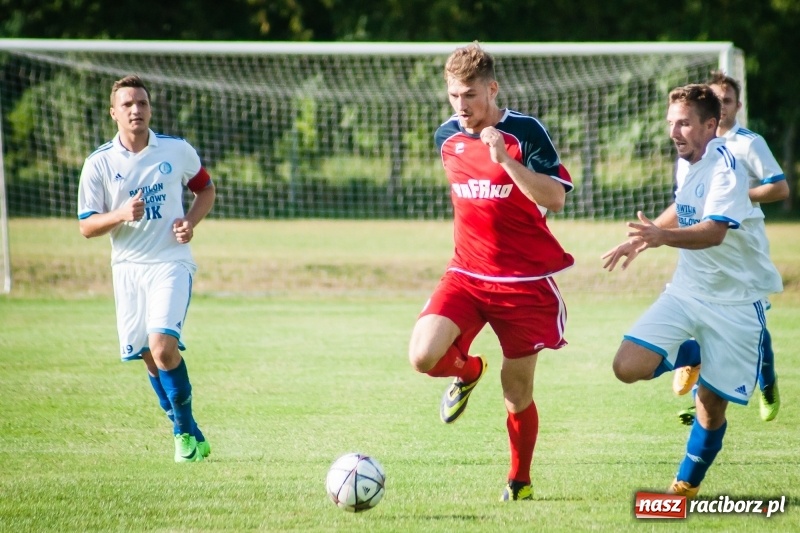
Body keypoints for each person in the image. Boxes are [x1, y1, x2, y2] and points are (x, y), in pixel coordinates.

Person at [407, 42, 574, 502]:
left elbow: (555, 199)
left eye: (471, 96)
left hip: (522, 286)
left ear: (492, 89)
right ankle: (469, 369)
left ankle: (519, 482)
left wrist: (506, 161)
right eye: (454, 96)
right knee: (422, 357)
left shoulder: (525, 132)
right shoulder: (447, 137)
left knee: (516, 393)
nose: (462, 107)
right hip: (466, 275)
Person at [602, 83, 783, 497]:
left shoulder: (727, 167)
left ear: (710, 125)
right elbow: (683, 206)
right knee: (626, 366)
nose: (674, 132)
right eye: (671, 123)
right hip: (687, 291)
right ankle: (692, 352)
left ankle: (684, 486)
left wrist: (662, 239)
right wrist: (644, 238)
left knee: (710, 407)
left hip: (736, 302)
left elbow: (714, 232)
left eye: (684, 123)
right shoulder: (687, 161)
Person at [77, 75, 216, 462]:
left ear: (150, 109)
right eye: (127, 105)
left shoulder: (175, 150)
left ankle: (182, 436)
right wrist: (121, 213)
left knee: (162, 346)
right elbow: (86, 225)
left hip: (170, 263)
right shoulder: (99, 164)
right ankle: (191, 432)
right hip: (127, 269)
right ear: (113, 113)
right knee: (148, 356)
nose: (136, 110)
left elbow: (205, 188)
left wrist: (190, 221)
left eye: (142, 103)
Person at [673, 71, 789, 425]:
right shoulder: (691, 151)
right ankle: (700, 406)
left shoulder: (748, 143)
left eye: (727, 101)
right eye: (716, 100)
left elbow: (780, 188)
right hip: (706, 254)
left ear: (738, 105)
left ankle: (767, 383)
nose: (721, 108)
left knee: (753, 327)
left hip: (742, 252)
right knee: (701, 318)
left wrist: (732, 198)